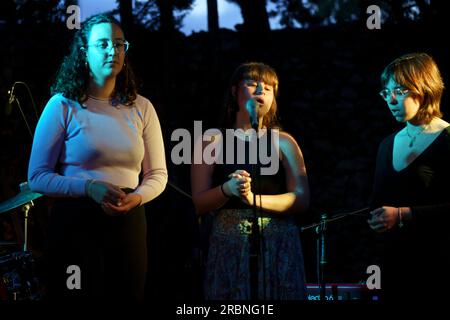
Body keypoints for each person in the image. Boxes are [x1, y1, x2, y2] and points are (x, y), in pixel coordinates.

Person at [27, 14, 167, 301]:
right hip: (76, 220)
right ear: (84, 52)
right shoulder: (62, 104)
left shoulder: (142, 107)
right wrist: (88, 187)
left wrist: (137, 197)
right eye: (102, 44)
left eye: (118, 44)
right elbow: (37, 176)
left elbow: (158, 175)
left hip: (128, 216)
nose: (112, 51)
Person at [191, 62, 310, 300]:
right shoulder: (211, 141)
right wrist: (227, 189)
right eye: (253, 84)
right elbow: (197, 203)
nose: (261, 91)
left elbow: (301, 198)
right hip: (229, 245)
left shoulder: (284, 141)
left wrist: (252, 199)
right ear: (234, 91)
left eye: (268, 87)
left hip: (278, 245)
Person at [368, 52, 450, 301]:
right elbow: (378, 203)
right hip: (397, 266)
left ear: (424, 88)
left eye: (400, 91)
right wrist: (376, 218)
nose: (391, 100)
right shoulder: (387, 145)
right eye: (386, 92)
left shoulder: (447, 138)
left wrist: (405, 214)